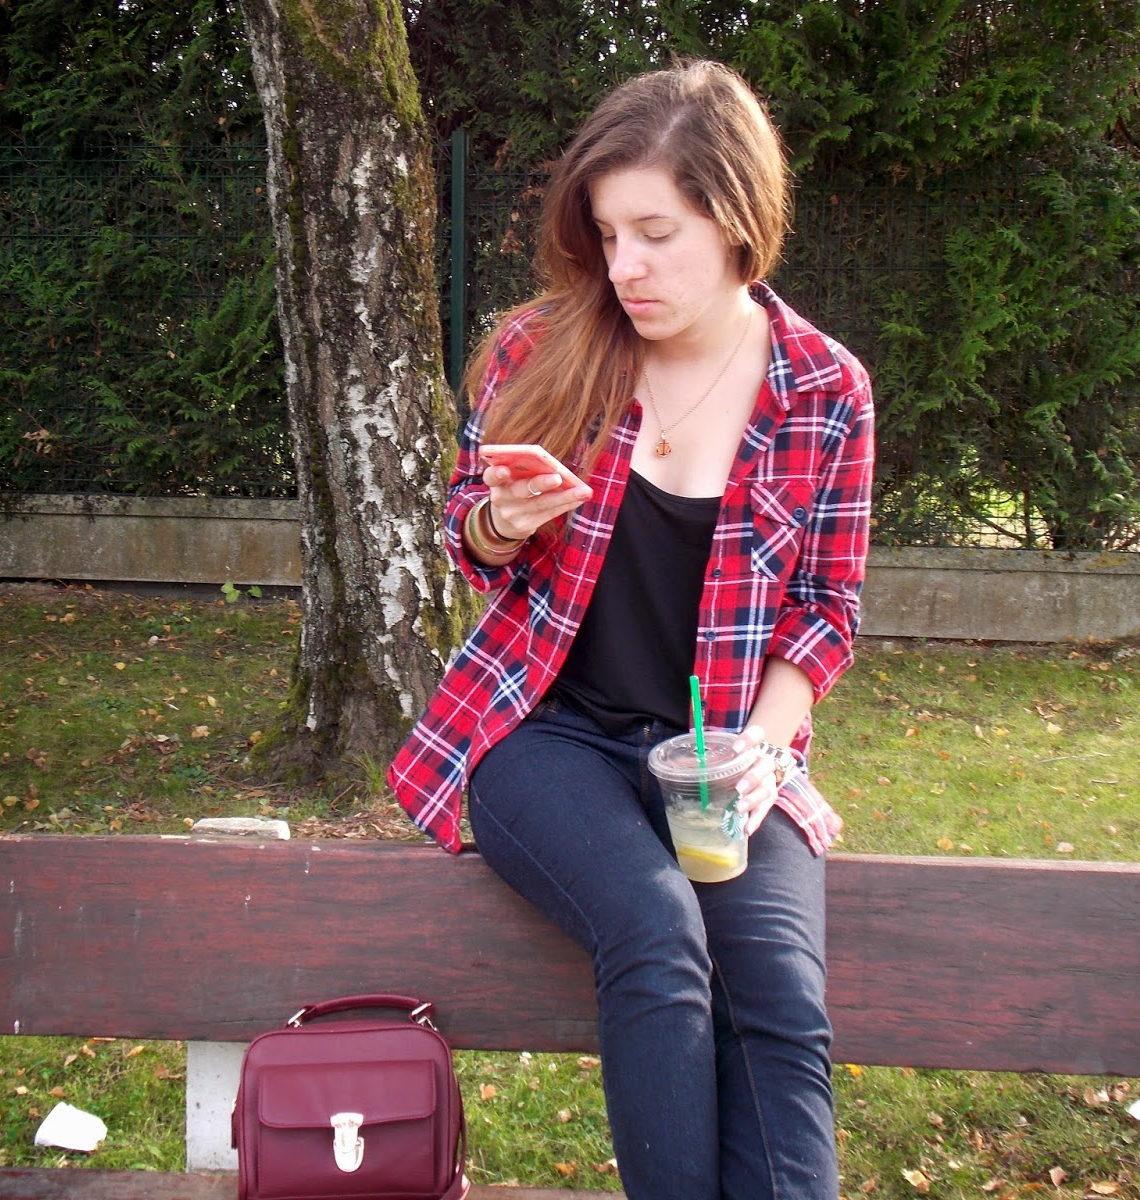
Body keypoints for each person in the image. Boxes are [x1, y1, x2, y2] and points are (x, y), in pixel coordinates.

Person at [388, 59, 873, 1200]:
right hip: (544, 735)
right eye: (608, 235)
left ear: (737, 220)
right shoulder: (542, 349)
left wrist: (760, 750)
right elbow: (468, 532)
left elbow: (825, 611)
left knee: (778, 997)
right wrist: (502, 521)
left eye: (655, 234)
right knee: (656, 936)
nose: (624, 268)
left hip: (720, 755)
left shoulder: (824, 391)